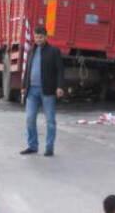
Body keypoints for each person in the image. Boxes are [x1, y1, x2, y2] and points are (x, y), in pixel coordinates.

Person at [20, 26, 64, 157]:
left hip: (48, 91)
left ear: (46, 37)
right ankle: (32, 146)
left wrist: (60, 86)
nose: (38, 39)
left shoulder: (54, 51)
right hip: (31, 90)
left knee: (50, 120)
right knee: (29, 118)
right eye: (36, 37)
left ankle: (49, 148)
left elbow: (60, 70)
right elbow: (27, 70)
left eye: (41, 37)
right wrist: (23, 86)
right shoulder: (31, 51)